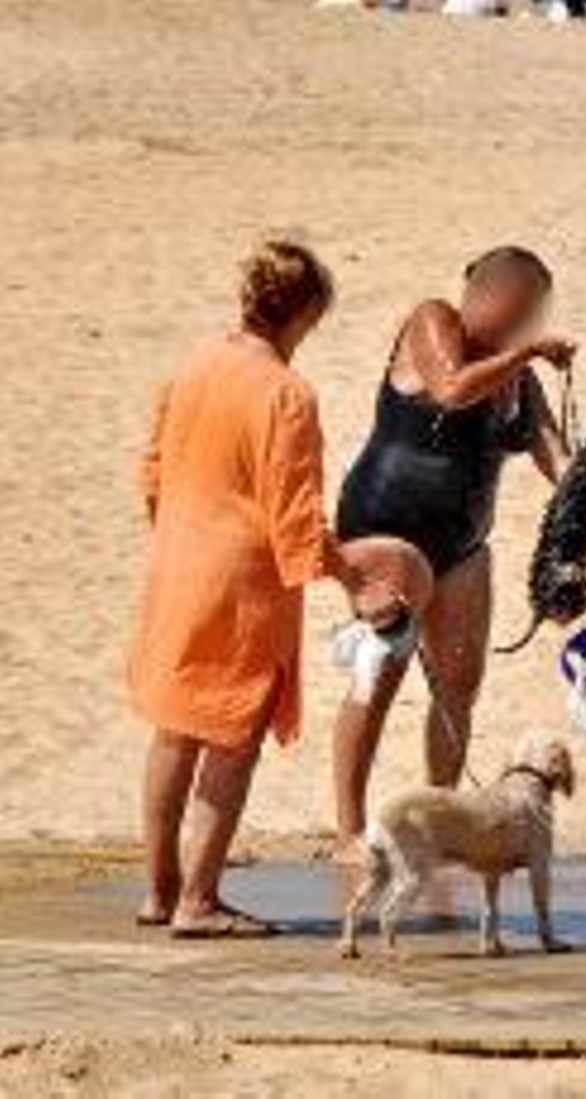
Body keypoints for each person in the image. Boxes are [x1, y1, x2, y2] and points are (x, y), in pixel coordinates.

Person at [129, 241, 425, 938]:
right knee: (230, 740)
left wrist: (179, 532)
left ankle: (159, 891)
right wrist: (358, 583)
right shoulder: (287, 394)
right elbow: (293, 514)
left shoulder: (196, 363)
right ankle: (198, 901)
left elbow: (151, 471)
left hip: (177, 568)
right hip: (240, 588)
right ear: (302, 315)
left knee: (174, 730)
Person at [330, 246, 575, 855]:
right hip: (386, 526)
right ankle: (348, 828)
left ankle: (439, 817)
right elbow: (449, 388)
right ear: (481, 295)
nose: (519, 325)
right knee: (379, 675)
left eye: (531, 316)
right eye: (514, 310)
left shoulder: (517, 373)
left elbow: (554, 454)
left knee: (459, 682)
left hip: (463, 541)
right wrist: (524, 354)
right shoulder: (433, 320)